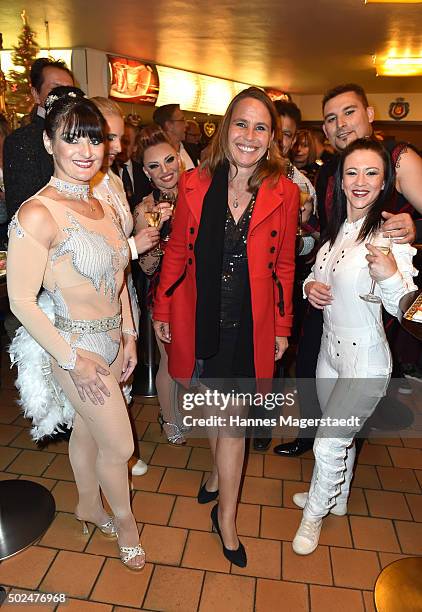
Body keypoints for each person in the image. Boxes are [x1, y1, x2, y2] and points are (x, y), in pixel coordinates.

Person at [153, 87, 298, 567]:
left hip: (249, 324)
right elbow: (176, 251)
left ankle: (227, 518)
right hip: (200, 318)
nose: (250, 136)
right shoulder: (195, 182)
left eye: (261, 127)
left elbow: (283, 268)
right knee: (216, 407)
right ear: (224, 127)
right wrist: (161, 309)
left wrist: (281, 327)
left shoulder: (286, 190)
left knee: (232, 420)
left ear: (272, 137)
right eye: (242, 124)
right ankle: (217, 478)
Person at [7, 90, 145, 570]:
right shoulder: (36, 213)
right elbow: (21, 300)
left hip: (112, 340)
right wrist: (70, 357)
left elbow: (120, 276)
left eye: (96, 140)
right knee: (121, 445)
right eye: (73, 140)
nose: (87, 151)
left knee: (89, 433)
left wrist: (129, 336)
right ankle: (126, 524)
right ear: (49, 143)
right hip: (75, 347)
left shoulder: (100, 204)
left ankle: (88, 504)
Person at [275, 83, 421, 458]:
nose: (341, 123)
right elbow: (331, 234)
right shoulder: (329, 172)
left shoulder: (398, 158)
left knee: (356, 378)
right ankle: (314, 438)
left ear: (369, 115)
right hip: (331, 286)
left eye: (349, 112)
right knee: (310, 361)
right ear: (324, 129)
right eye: (331, 118)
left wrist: (415, 226)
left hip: (377, 289)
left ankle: (337, 446)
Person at [291, 138, 417, 555]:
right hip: (330, 354)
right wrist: (310, 286)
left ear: (384, 183)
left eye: (371, 173)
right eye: (351, 172)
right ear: (340, 181)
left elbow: (413, 312)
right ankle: (337, 497)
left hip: (365, 358)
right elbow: (321, 273)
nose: (360, 181)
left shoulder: (390, 237)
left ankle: (314, 515)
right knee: (336, 435)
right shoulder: (337, 232)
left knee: (328, 441)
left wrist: (390, 276)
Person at [91, 96, 161, 476]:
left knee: (122, 375)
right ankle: (114, 454)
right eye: (109, 137)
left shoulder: (115, 179)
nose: (118, 147)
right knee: (99, 388)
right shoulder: (81, 183)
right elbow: (90, 256)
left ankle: (121, 451)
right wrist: (135, 245)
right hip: (93, 303)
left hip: (122, 289)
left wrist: (144, 230)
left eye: (120, 138)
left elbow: (121, 237)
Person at [133, 125, 187, 444]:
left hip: (200, 292)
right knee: (169, 362)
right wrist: (158, 230)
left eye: (169, 161)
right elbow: (148, 267)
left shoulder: (201, 195)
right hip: (165, 294)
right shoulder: (145, 209)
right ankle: (169, 418)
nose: (165, 171)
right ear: (146, 172)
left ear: (179, 159)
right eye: (155, 166)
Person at [3, 57, 74, 219]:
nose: (64, 96)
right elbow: (21, 207)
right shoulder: (21, 140)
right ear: (36, 94)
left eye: (70, 90)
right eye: (55, 89)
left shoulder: (80, 137)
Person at [113, 120, 151, 211]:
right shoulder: (104, 173)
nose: (120, 146)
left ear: (135, 147)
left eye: (125, 142)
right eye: (117, 140)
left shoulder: (145, 172)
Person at [153, 103, 198, 169]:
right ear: (169, 125)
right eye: (182, 120)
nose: (186, 125)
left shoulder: (192, 150)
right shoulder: (155, 155)